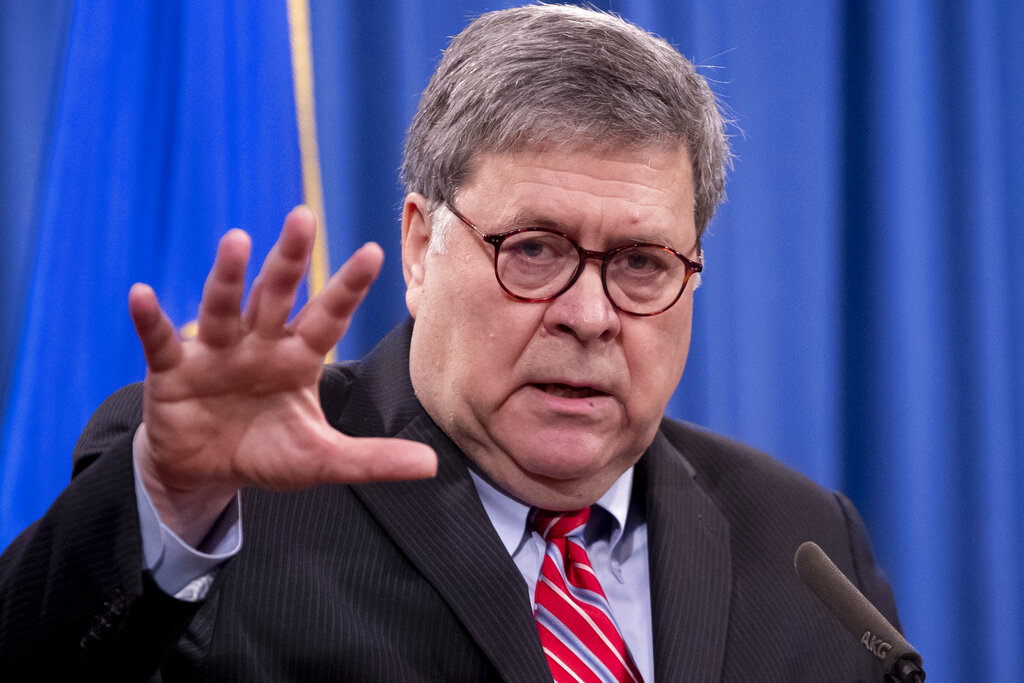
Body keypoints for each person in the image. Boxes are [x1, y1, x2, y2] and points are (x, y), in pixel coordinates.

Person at [0, 4, 902, 681]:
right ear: (421, 247)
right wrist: (169, 497)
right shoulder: (231, 494)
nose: (589, 315)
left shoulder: (807, 542)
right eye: (536, 250)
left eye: (639, 262)